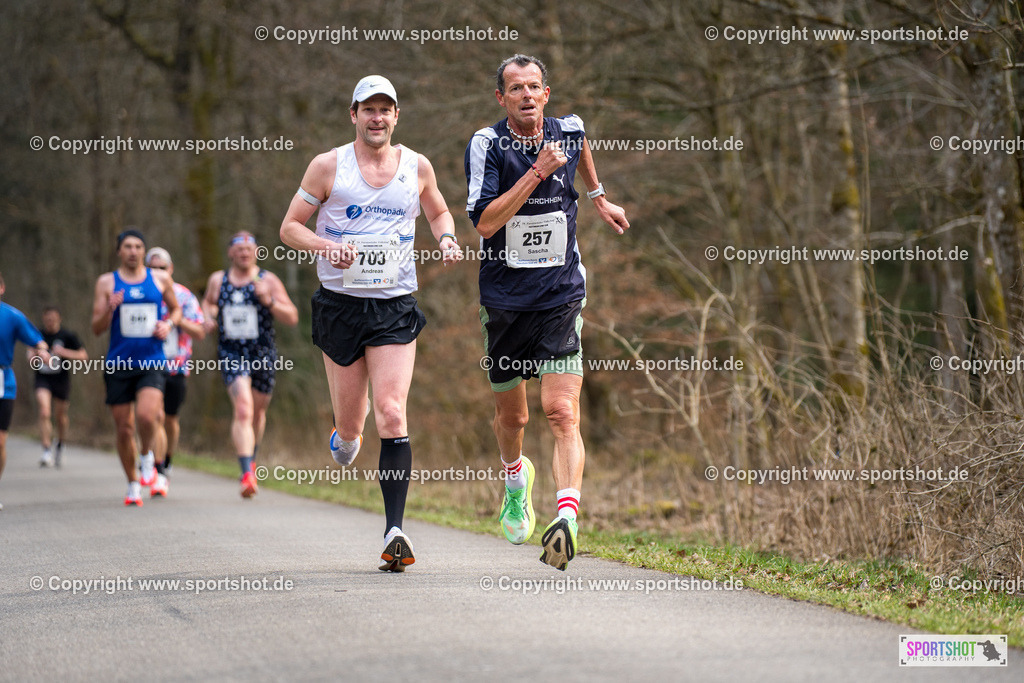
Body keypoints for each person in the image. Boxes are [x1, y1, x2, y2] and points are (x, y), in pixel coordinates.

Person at [280, 74, 462, 571]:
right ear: (353, 114)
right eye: (368, 109)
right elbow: (290, 227)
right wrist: (326, 246)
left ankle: (395, 532)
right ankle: (343, 439)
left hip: (394, 305)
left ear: (396, 116)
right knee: (352, 427)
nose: (377, 117)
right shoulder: (327, 166)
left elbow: (440, 210)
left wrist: (445, 239)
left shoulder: (416, 166)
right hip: (340, 305)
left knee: (392, 412)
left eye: (386, 109)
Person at [465, 54, 630, 570]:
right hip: (506, 301)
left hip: (561, 294)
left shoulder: (570, 130)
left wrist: (599, 197)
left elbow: (580, 150)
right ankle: (516, 480)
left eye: (534, 86)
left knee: (561, 411)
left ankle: (567, 521)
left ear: (547, 92)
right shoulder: (488, 146)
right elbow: (486, 224)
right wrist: (537, 173)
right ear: (502, 98)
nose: (527, 95)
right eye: (516, 88)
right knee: (512, 417)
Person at [202, 232, 297, 498]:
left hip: (263, 354)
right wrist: (207, 317)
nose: (244, 253)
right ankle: (246, 474)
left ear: (256, 252)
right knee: (243, 409)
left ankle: (251, 460)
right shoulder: (218, 280)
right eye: (239, 249)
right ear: (230, 253)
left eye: (249, 249)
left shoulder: (267, 280)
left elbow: (292, 316)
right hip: (232, 352)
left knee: (256, 413)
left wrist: (269, 300)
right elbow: (209, 303)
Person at [91, 229, 181, 505]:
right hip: (118, 363)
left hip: (152, 361)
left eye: (138, 246)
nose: (133, 251)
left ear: (144, 251)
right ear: (119, 251)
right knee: (123, 428)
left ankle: (146, 457)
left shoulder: (160, 278)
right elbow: (96, 328)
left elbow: (176, 310)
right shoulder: (107, 282)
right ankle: (132, 483)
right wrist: (109, 308)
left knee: (146, 416)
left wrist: (169, 324)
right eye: (127, 246)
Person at [145, 247, 205, 476]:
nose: (157, 272)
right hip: (149, 365)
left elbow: (199, 332)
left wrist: (174, 321)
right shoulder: (140, 293)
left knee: (170, 418)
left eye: (161, 268)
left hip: (177, 365)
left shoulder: (183, 295)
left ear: (170, 269)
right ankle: (154, 463)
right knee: (153, 415)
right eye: (152, 268)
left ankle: (167, 458)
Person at [0, 272, 50, 511]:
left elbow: (36, 339)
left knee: (0, 442)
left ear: (2, 288)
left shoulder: (12, 316)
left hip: (3, 382)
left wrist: (41, 349)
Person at [33, 306, 87, 468]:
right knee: (44, 411)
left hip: (61, 379)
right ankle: (46, 450)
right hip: (42, 378)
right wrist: (35, 356)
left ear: (59, 319)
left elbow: (83, 356)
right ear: (44, 319)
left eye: (53, 319)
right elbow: (30, 353)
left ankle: (60, 444)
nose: (50, 322)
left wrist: (64, 352)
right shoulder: (38, 335)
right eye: (47, 319)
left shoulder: (67, 335)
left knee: (60, 416)